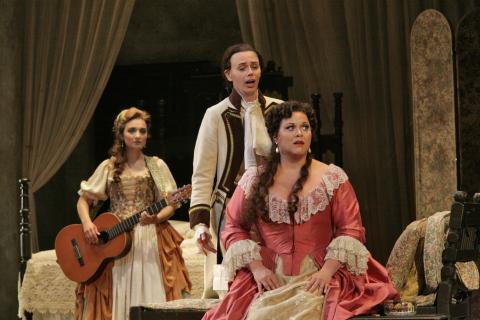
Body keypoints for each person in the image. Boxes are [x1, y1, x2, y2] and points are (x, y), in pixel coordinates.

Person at [203, 101, 399, 320]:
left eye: (305, 127)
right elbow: (233, 227)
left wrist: (326, 272)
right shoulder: (254, 179)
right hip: (271, 277)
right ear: (275, 136)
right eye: (290, 128)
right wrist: (257, 268)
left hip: (320, 274)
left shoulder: (332, 179)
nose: (300, 133)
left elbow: (350, 230)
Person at [75, 107, 191, 320]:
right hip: (116, 240)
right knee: (119, 292)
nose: (138, 135)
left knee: (152, 290)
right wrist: (87, 223)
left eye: (142, 131)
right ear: (121, 134)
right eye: (132, 131)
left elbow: (170, 204)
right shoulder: (108, 168)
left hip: (149, 237)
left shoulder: (156, 165)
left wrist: (155, 217)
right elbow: (84, 200)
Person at [189, 43, 283, 298]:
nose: (250, 73)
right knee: (230, 288)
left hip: (273, 208)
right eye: (242, 68)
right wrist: (199, 224)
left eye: (254, 67)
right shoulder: (216, 115)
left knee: (274, 283)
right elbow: (202, 173)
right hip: (230, 209)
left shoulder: (279, 109)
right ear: (228, 74)